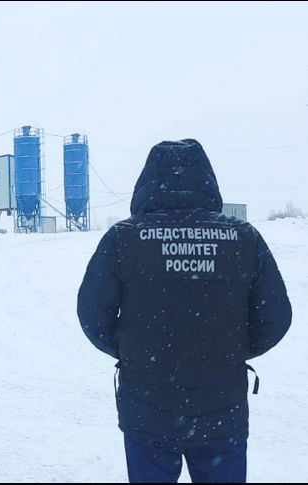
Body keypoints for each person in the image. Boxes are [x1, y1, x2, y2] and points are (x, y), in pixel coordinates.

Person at [77, 139, 292, 483]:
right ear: (208, 180)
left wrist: (134, 352)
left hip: (147, 406)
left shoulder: (123, 239)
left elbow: (92, 315)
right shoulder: (244, 238)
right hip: (222, 409)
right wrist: (230, 350)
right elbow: (275, 317)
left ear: (146, 181)